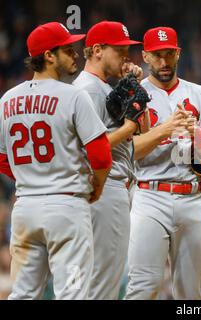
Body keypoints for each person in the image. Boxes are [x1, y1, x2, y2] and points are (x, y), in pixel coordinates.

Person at [0, 22, 112, 299]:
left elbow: (3, 159)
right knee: (72, 293)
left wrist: (33, 177)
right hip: (66, 208)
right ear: (49, 55)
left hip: (25, 209)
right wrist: (96, 187)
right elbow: (101, 155)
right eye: (68, 49)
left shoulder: (7, 99)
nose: (75, 54)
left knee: (23, 293)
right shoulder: (74, 95)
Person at [125, 27, 201, 300]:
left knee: (194, 292)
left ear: (178, 53)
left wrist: (196, 134)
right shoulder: (134, 93)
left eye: (169, 54)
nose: (163, 62)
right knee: (144, 287)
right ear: (145, 56)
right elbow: (129, 152)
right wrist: (165, 130)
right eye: (156, 56)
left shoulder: (200, 94)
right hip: (150, 196)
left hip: (193, 197)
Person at [72, 20, 147, 300]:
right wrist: (128, 128)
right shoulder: (88, 89)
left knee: (100, 278)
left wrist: (135, 88)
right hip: (103, 188)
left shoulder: (103, 87)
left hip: (110, 187)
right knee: (104, 280)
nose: (126, 56)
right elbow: (89, 146)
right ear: (97, 50)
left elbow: (144, 131)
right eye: (120, 50)